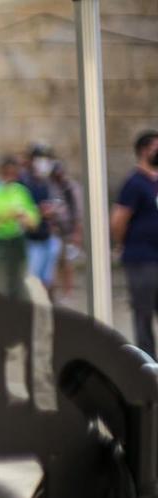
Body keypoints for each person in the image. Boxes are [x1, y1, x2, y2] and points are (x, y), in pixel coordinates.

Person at [111, 129, 158, 358]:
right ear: (143, 150)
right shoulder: (134, 182)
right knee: (144, 313)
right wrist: (122, 244)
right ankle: (148, 362)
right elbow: (119, 220)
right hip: (141, 259)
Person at [0, 155, 40, 300]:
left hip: (17, 241)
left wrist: (27, 218)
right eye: (8, 173)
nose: (11, 177)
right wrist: (6, 215)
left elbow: (33, 217)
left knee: (19, 284)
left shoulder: (20, 191)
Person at [20, 143, 61, 294]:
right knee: (32, 280)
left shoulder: (49, 181)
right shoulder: (24, 181)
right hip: (32, 239)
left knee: (47, 280)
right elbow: (21, 209)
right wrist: (38, 212)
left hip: (48, 236)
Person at [47, 160, 84, 300]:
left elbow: (78, 213)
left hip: (67, 230)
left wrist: (77, 234)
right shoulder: (50, 186)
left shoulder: (71, 188)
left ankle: (68, 291)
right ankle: (53, 291)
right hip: (53, 230)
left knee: (67, 263)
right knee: (53, 262)